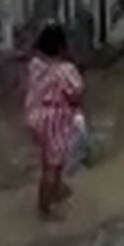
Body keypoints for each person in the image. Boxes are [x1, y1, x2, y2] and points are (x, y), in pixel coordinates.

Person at [23, 23, 88, 220]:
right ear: (63, 47)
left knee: (49, 158)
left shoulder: (35, 65)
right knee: (54, 165)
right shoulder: (65, 70)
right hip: (55, 122)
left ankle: (57, 190)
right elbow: (76, 93)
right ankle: (45, 208)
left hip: (34, 116)